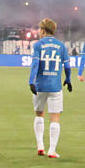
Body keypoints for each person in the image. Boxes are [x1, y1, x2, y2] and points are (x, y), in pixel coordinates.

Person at [28, 18, 71, 158]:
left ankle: (40, 146)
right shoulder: (61, 46)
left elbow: (35, 64)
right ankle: (52, 150)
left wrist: (31, 81)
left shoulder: (38, 45)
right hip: (55, 86)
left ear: (43, 30)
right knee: (55, 117)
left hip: (40, 85)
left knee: (39, 114)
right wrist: (68, 79)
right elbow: (67, 65)